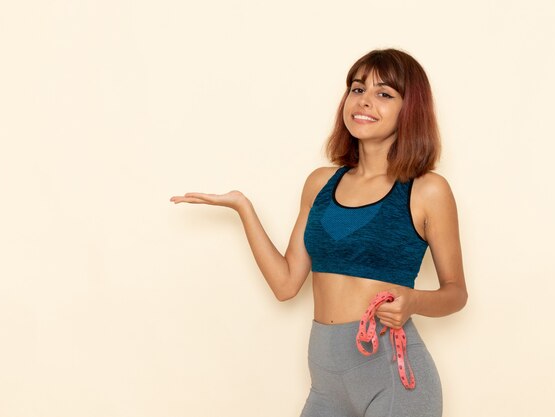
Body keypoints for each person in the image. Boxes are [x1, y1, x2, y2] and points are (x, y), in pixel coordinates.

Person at [170, 48, 467, 417]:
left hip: (393, 379)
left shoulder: (426, 190)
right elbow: (285, 285)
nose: (365, 102)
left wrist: (414, 301)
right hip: (326, 384)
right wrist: (243, 208)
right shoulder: (321, 184)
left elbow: (456, 293)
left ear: (411, 110)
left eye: (384, 94)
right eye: (357, 89)